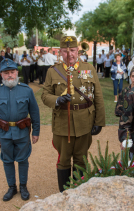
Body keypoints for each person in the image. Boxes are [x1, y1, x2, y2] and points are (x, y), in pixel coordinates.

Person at [41, 36, 105, 192]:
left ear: (78, 51)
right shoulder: (53, 71)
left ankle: (78, 194)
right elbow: (45, 95)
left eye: (72, 50)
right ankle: (64, 196)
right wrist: (57, 100)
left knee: (81, 160)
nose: (69, 54)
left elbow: (98, 96)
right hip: (63, 123)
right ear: (60, 52)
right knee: (63, 160)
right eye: (65, 51)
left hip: (85, 122)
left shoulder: (89, 69)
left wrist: (99, 121)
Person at [0, 58, 40, 201]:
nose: (9, 75)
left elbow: (34, 113)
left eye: (12, 72)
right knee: (7, 160)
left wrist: (36, 132)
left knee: (23, 160)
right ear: (1, 75)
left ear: (17, 72)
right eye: (6, 73)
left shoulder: (27, 91)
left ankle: (23, 186)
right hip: (4, 133)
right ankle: (12, 187)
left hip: (22, 132)